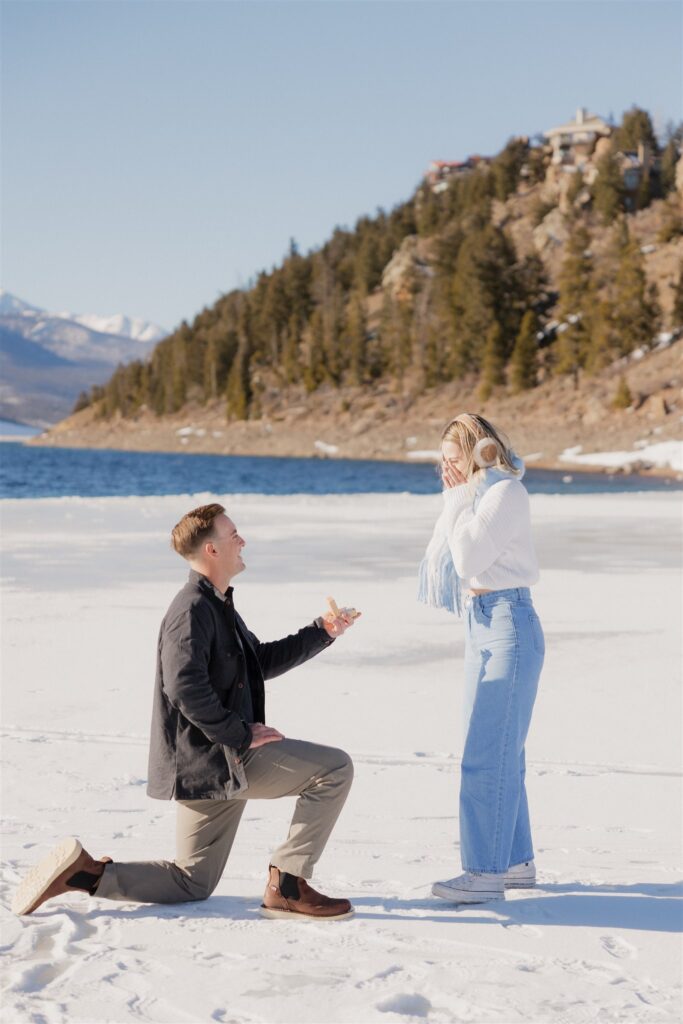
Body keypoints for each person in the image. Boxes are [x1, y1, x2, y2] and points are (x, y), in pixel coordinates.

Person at [13, 503, 358, 921]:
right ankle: (287, 884)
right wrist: (241, 734)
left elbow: (256, 664)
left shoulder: (216, 604)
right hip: (221, 756)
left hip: (213, 762)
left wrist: (320, 632)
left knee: (193, 881)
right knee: (333, 769)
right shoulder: (192, 609)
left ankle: (86, 876)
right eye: (233, 534)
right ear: (211, 549)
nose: (242, 540)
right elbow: (183, 686)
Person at [418, 413, 544, 904]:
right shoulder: (477, 496)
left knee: (485, 756)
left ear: (478, 452)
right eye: (442, 461)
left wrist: (454, 501)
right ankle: (515, 861)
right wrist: (457, 500)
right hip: (483, 621)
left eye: (453, 460)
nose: (446, 471)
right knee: (502, 752)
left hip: (509, 622)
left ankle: (484, 872)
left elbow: (469, 559)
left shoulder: (504, 494)